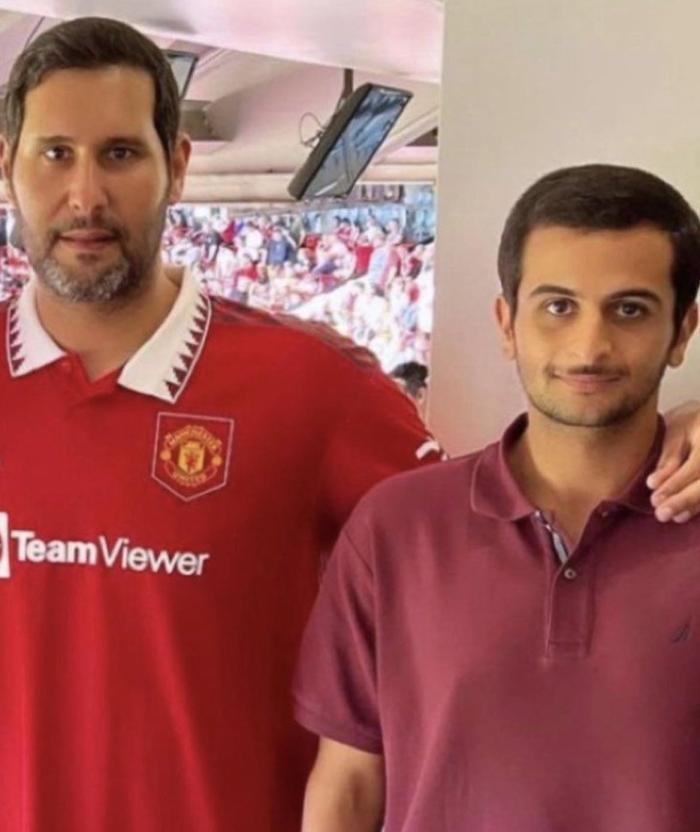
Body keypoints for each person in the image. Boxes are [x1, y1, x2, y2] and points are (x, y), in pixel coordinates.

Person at [0, 17, 445, 832]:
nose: (85, 195)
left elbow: (491, 553)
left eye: (120, 154)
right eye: (55, 153)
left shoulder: (312, 384)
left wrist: (665, 438)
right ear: (8, 168)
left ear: (176, 166)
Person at [295, 164, 700, 831]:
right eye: (558, 307)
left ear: (682, 330)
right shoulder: (396, 528)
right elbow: (348, 786)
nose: (590, 346)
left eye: (629, 309)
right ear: (507, 323)